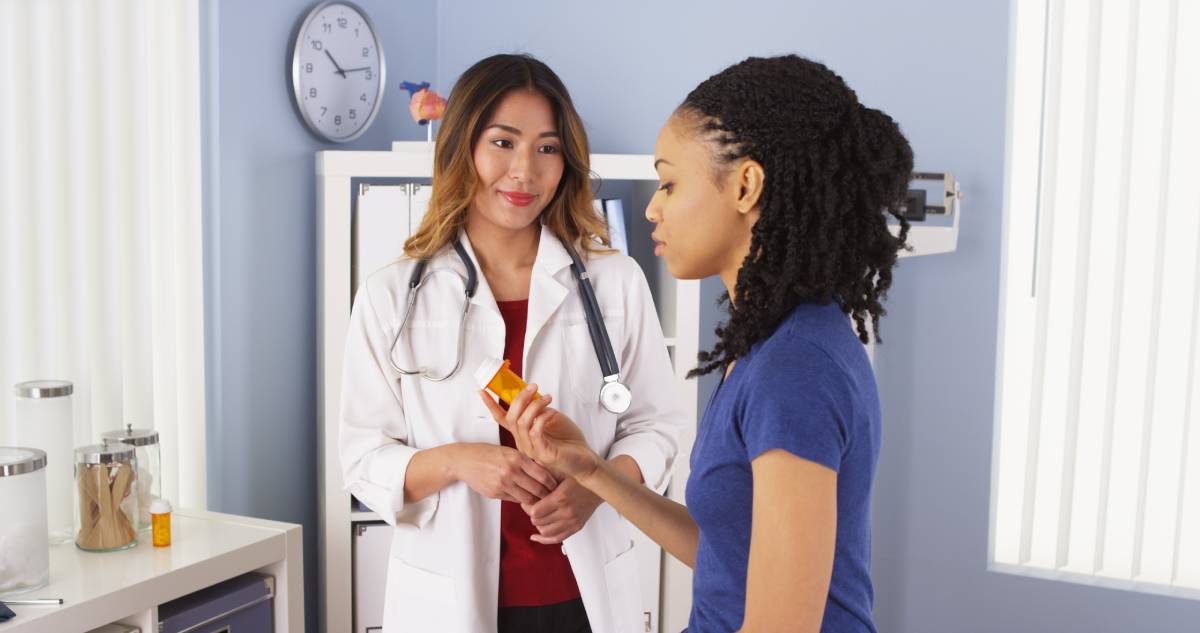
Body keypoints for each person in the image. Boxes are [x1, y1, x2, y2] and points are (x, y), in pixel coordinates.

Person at [483, 54, 913, 633]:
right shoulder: (770, 345)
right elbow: (727, 555)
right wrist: (593, 471)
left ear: (745, 185)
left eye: (669, 182)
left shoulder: (795, 369)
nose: (652, 207)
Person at [339, 53, 687, 633]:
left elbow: (660, 428)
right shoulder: (392, 294)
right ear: (463, 149)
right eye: (503, 142)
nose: (525, 171)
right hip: (450, 601)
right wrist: (457, 462)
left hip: (585, 593)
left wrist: (595, 488)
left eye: (547, 148)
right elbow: (361, 459)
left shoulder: (614, 282)